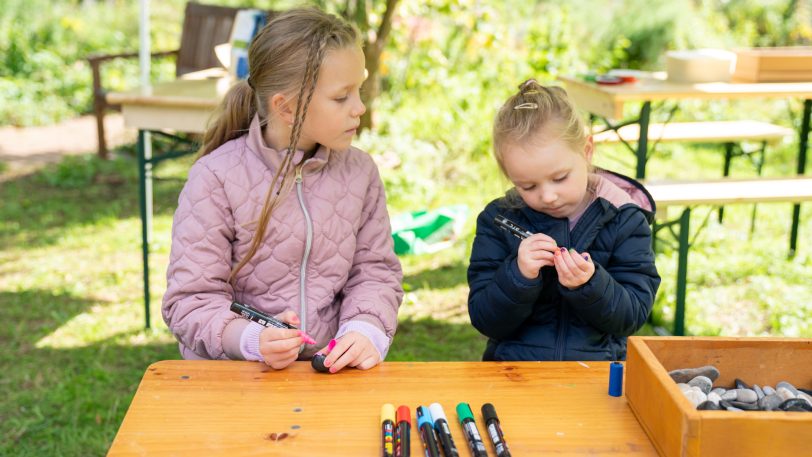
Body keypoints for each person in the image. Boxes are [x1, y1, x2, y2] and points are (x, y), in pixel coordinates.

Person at [162, 8, 403, 373]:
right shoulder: (214, 177)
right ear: (286, 107)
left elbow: (374, 272)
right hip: (233, 378)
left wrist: (365, 329)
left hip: (329, 374)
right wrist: (249, 339)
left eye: (359, 90)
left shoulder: (360, 172)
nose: (360, 108)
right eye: (342, 97)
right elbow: (190, 301)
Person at [467, 79, 660, 361]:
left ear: (586, 151)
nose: (547, 196)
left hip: (598, 376)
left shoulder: (624, 219)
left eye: (560, 178)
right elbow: (485, 319)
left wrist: (590, 285)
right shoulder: (499, 221)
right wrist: (517, 276)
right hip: (513, 374)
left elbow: (631, 317)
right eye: (528, 186)